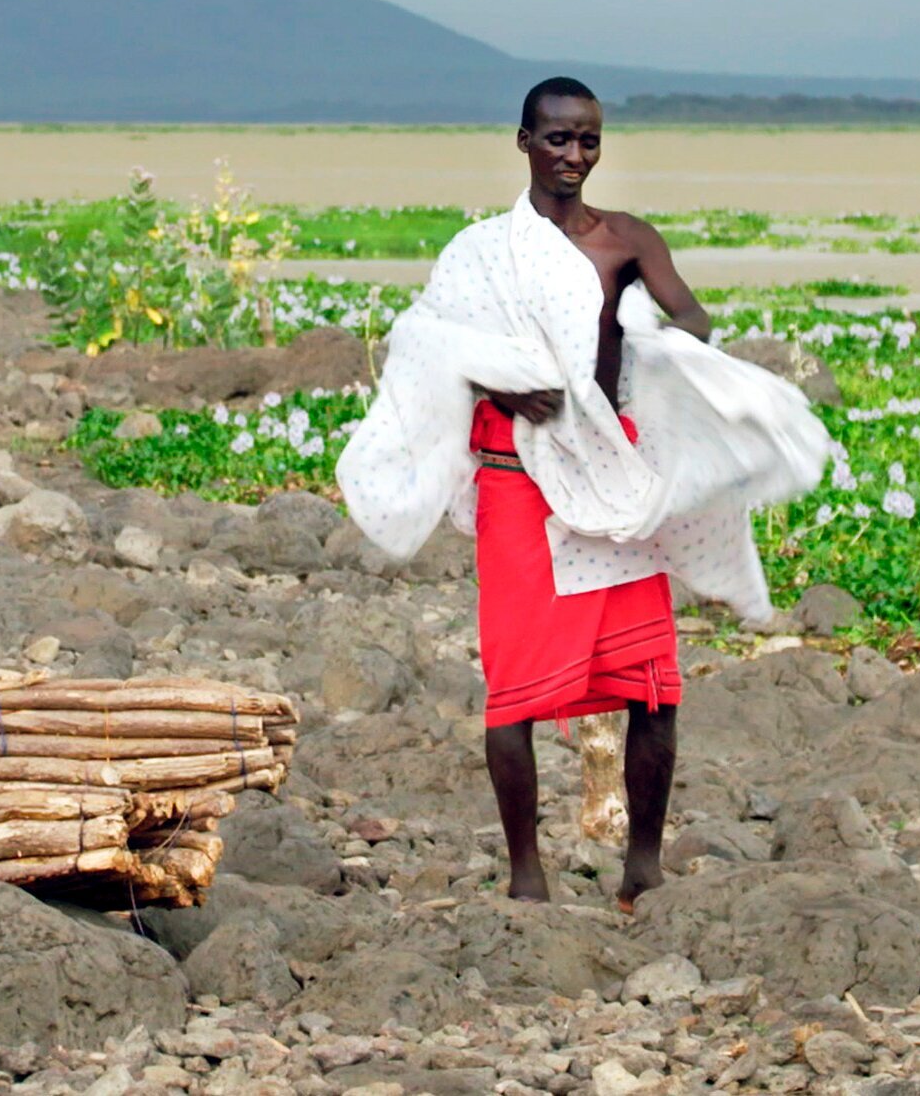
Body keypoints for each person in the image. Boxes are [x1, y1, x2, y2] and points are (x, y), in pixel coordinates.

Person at [335, 77, 833, 909]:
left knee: (652, 684)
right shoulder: (484, 252)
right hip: (518, 484)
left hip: (612, 476)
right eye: (558, 138)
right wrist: (497, 386)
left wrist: (642, 344)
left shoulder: (626, 240)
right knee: (516, 687)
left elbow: (694, 323)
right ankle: (527, 874)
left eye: (588, 140)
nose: (574, 155)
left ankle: (644, 865)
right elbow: (427, 339)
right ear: (523, 141)